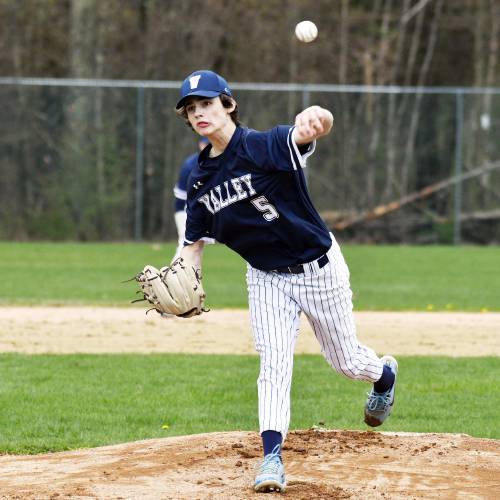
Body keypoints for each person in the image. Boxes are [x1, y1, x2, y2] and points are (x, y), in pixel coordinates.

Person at [175, 70, 398, 494]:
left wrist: (319, 118)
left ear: (228, 104)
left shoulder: (263, 145)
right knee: (274, 363)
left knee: (345, 361)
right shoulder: (200, 181)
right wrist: (184, 271)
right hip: (265, 277)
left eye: (206, 103)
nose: (198, 113)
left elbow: (305, 132)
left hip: (318, 266)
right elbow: (194, 243)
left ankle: (382, 375)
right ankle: (272, 458)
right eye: (190, 109)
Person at [172, 136, 210, 260]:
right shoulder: (190, 164)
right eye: (206, 144)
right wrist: (183, 218)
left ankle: (191, 278)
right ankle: (172, 276)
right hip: (186, 209)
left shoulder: (221, 161)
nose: (208, 146)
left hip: (206, 210)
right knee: (187, 244)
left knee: (198, 247)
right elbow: (181, 196)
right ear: (200, 145)